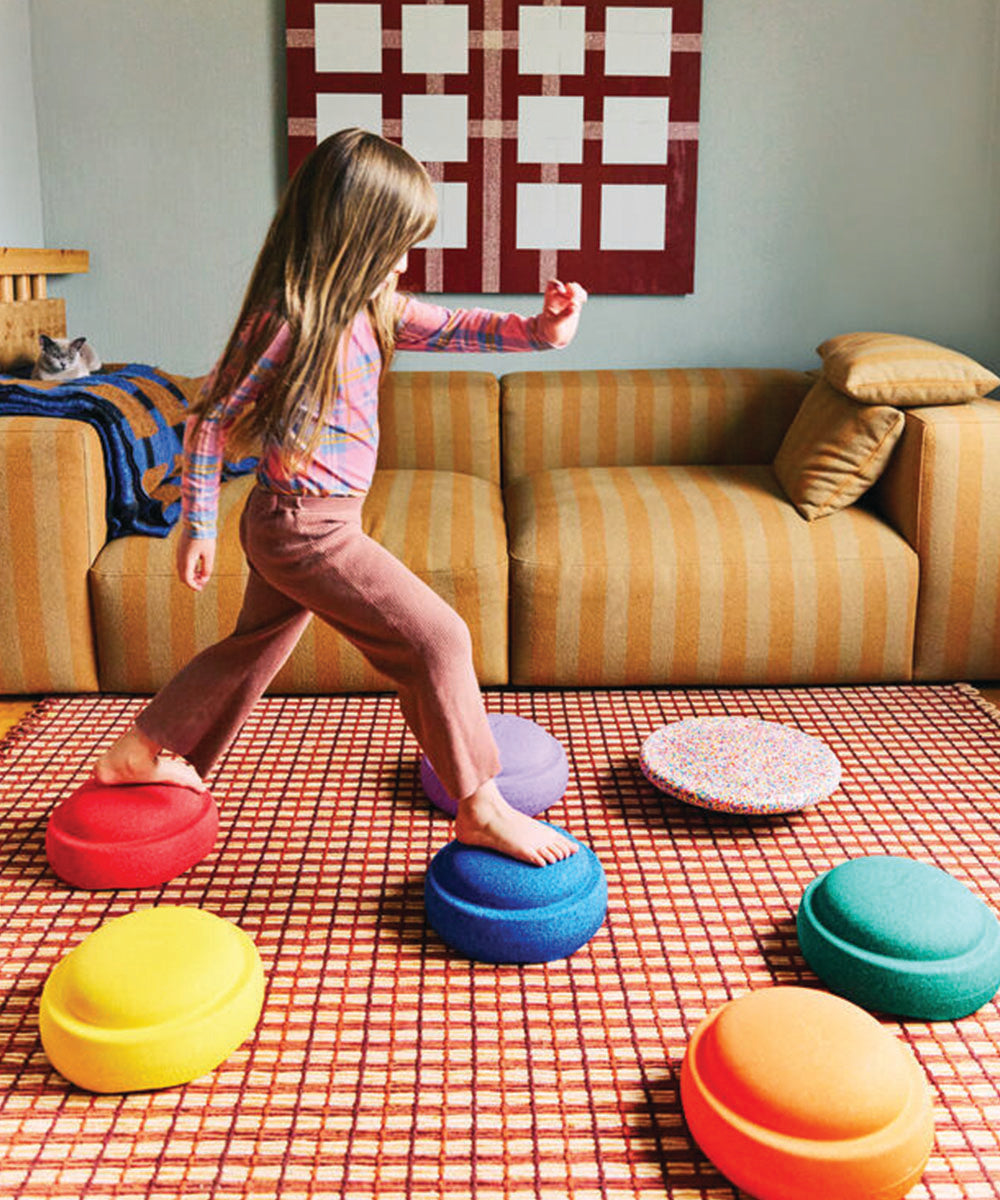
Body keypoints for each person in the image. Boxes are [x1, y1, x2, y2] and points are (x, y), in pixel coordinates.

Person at [94, 127, 587, 867]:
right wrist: (197, 523)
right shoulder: (289, 322)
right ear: (352, 236)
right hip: (302, 528)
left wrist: (541, 331)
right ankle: (482, 806)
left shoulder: (373, 306)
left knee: (253, 649)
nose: (403, 263)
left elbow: (456, 327)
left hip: (306, 521)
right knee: (439, 638)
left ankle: (140, 748)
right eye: (395, 243)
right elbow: (211, 421)